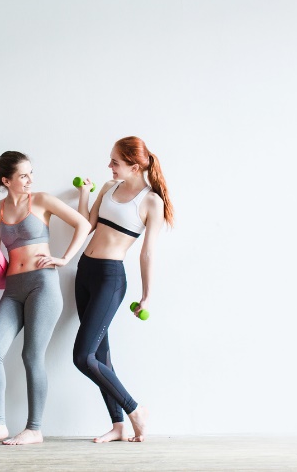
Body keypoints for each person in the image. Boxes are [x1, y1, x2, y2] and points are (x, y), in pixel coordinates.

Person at [0, 151, 90, 449]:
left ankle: (34, 429)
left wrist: (64, 258)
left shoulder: (41, 200)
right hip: (12, 290)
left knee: (31, 356)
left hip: (43, 286)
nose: (30, 179)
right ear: (6, 180)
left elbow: (83, 224)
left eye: (31, 173)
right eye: (23, 175)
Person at [74, 136, 173, 443]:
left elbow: (147, 252)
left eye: (115, 162)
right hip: (84, 272)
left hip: (110, 278)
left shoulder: (150, 201)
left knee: (82, 356)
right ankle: (118, 425)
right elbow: (87, 224)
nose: (109, 166)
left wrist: (146, 295)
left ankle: (135, 410)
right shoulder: (108, 187)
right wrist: (83, 194)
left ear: (133, 166)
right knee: (100, 355)